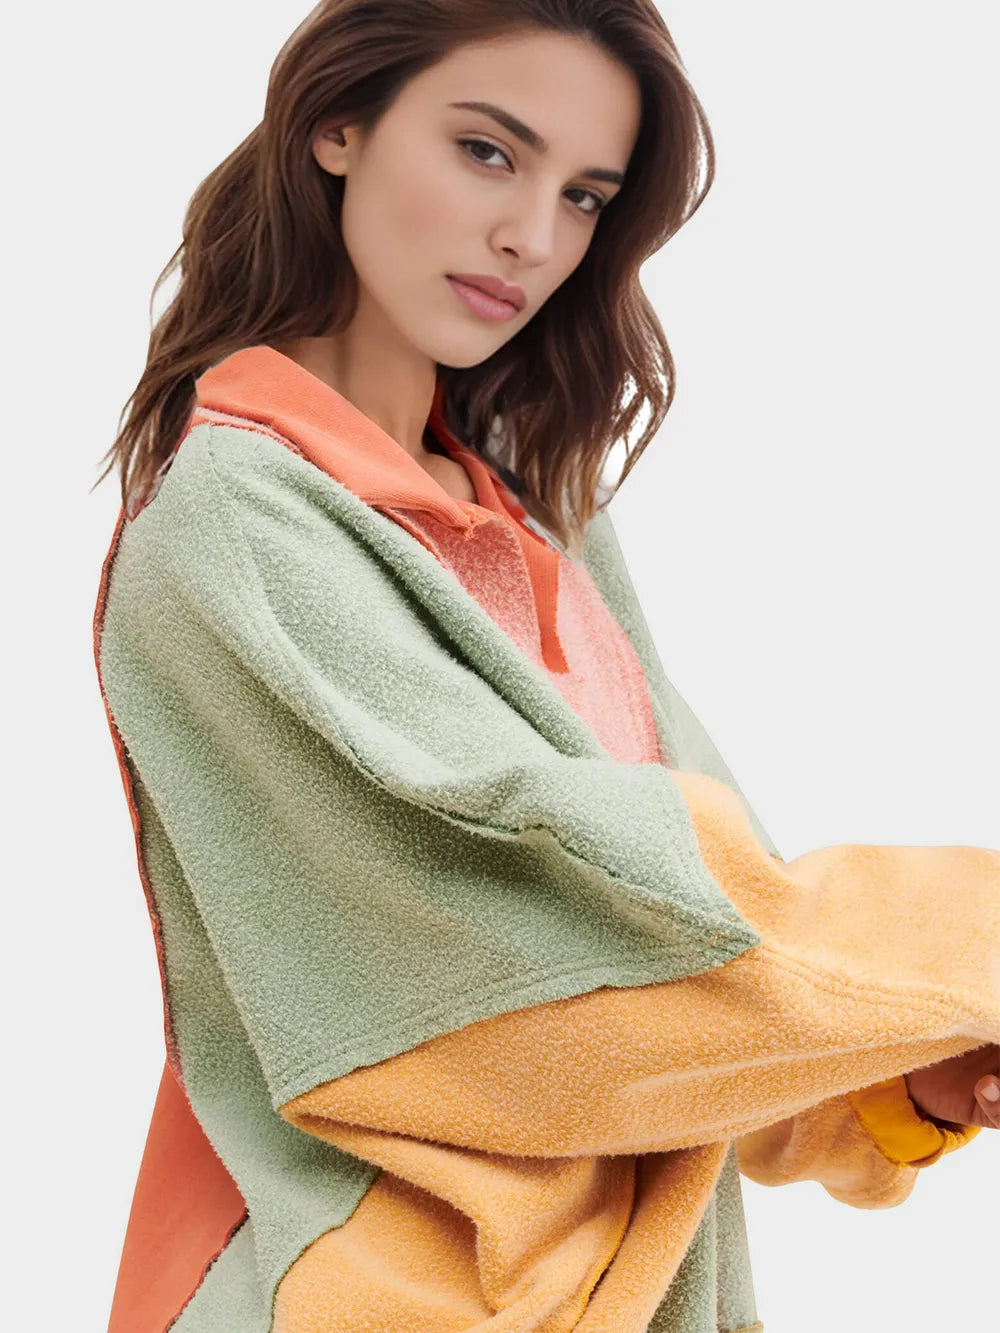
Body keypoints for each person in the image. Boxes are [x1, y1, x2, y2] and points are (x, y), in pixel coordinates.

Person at [92, 2, 1000, 1330]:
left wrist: (896, 1073)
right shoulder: (235, 522)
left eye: (584, 195)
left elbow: (698, 946)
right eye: (487, 152)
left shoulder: (537, 511)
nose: (532, 236)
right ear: (337, 126)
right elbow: (524, 978)